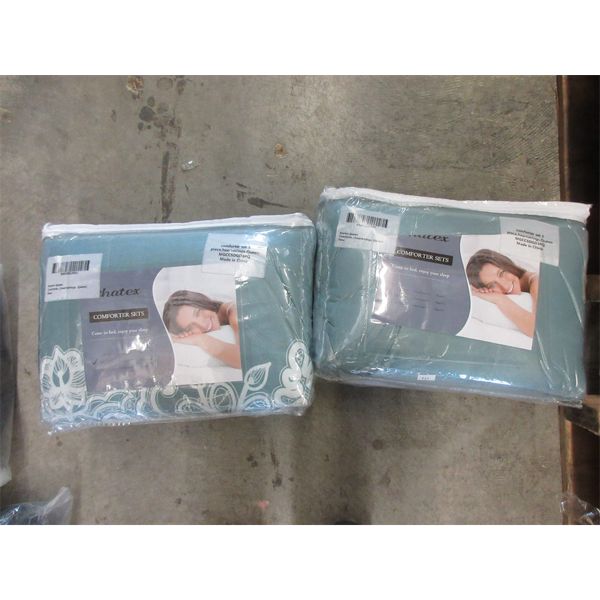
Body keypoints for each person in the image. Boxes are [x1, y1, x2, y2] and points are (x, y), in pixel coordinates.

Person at [466, 249, 538, 337]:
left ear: (508, 266)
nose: (505, 286)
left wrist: (500, 299)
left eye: (501, 273)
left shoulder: (536, 282)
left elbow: (538, 330)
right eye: (492, 285)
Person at [162, 290, 241, 369]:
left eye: (197, 313)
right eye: (190, 327)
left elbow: (243, 360)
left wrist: (201, 339)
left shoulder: (234, 312)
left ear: (204, 303)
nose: (203, 325)